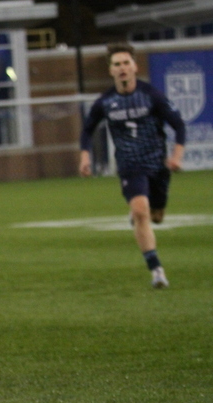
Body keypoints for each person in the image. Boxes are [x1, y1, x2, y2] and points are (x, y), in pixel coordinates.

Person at [79, 42, 185, 289]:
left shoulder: (151, 95)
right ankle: (157, 271)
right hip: (129, 165)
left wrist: (176, 156)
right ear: (111, 71)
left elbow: (178, 125)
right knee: (140, 212)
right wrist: (85, 157)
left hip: (157, 164)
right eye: (117, 64)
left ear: (135, 66)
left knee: (156, 217)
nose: (122, 68)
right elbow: (87, 130)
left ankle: (141, 214)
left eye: (126, 63)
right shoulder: (105, 101)